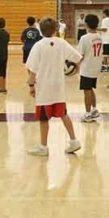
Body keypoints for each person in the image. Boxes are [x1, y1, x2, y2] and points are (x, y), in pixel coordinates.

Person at [25, 17, 83, 156]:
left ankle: (43, 147)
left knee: (44, 119)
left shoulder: (38, 46)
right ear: (55, 29)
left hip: (44, 87)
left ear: (40, 30)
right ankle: (74, 141)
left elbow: (32, 69)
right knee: (63, 114)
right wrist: (74, 70)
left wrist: (31, 85)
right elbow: (78, 58)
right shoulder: (61, 43)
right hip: (58, 86)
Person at [78, 14, 102, 122]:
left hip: (87, 68)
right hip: (96, 66)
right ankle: (94, 110)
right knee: (90, 88)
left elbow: (80, 55)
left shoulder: (84, 38)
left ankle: (88, 114)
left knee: (86, 91)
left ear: (86, 24)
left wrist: (74, 65)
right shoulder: (99, 37)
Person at [99, 9, 109, 73]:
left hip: (105, 40)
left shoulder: (104, 20)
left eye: (103, 14)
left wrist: (95, 29)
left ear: (105, 14)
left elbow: (104, 29)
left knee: (105, 54)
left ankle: (105, 67)